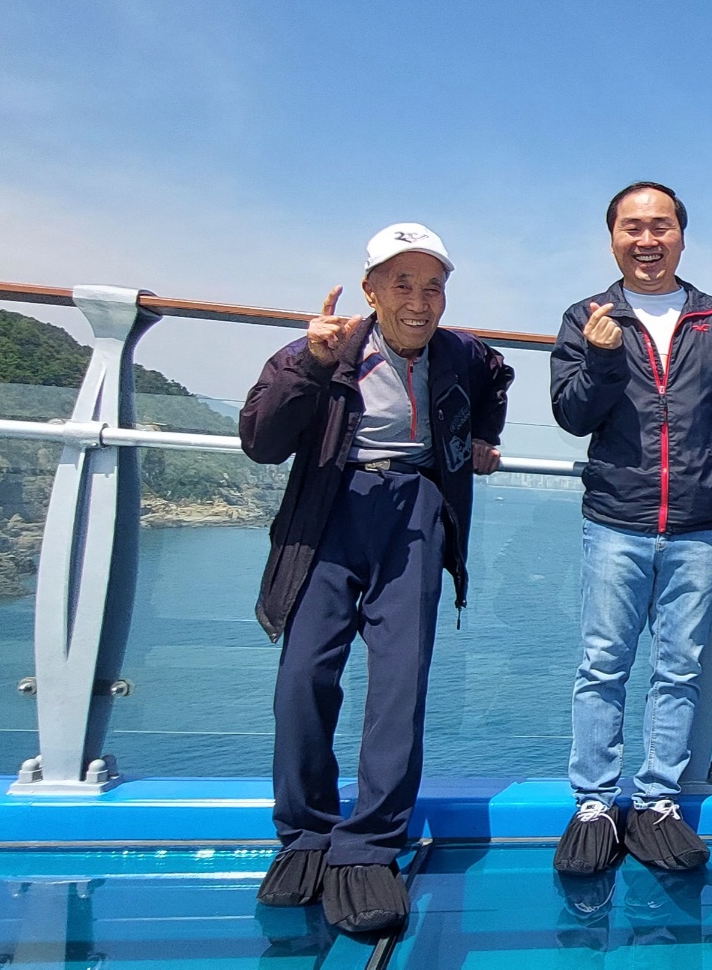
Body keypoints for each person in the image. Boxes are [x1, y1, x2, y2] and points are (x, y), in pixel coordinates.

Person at [240, 222, 514, 932]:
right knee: (304, 673)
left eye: (434, 287)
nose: (420, 302)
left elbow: (497, 376)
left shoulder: (460, 352)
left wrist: (483, 436)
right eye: (402, 284)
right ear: (370, 291)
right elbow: (260, 441)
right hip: (332, 508)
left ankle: (369, 844)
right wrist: (309, 364)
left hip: (416, 507)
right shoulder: (323, 350)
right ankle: (305, 831)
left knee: (400, 679)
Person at [550, 181, 712, 875]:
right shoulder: (587, 316)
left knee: (680, 668)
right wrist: (603, 358)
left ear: (681, 235)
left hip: (701, 524)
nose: (648, 240)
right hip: (617, 518)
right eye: (633, 227)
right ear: (613, 236)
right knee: (602, 664)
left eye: (661, 226)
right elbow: (572, 415)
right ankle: (593, 803)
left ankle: (658, 800)